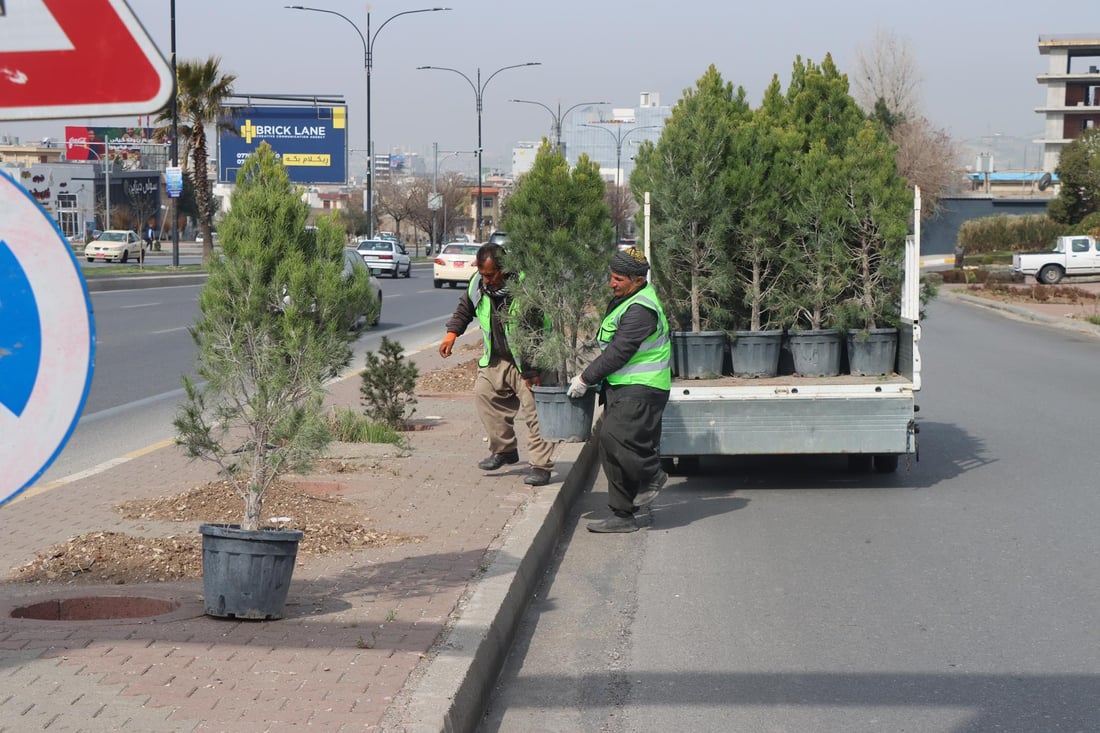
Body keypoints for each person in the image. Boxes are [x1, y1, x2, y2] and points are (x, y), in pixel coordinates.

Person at [567, 247, 671, 533]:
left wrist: (585, 379)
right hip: (622, 386)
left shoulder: (641, 310)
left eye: (618, 279)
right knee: (609, 448)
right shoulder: (627, 299)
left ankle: (652, 475)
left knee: (615, 437)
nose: (612, 283)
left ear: (637, 280)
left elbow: (619, 352)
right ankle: (622, 515)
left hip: (642, 388)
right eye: (611, 277)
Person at [439, 243, 554, 486]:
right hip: (498, 358)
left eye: (490, 275)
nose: (486, 280)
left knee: (536, 413)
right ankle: (504, 450)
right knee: (484, 394)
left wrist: (532, 370)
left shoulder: (525, 288)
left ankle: (541, 466)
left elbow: (535, 333)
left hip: (530, 360)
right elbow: (464, 309)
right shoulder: (478, 284)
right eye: (482, 274)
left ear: (504, 269)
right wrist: (452, 334)